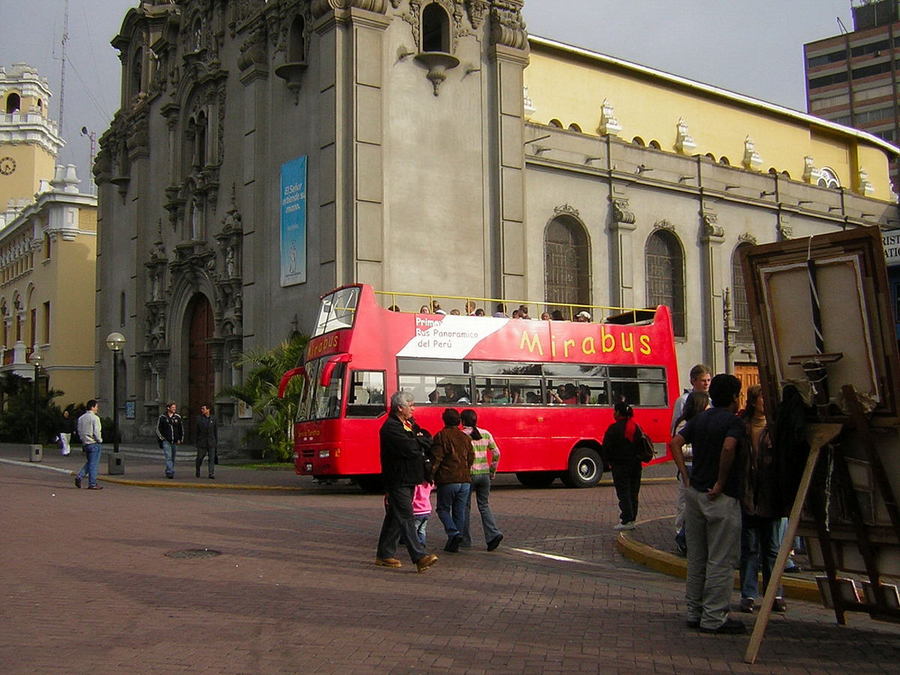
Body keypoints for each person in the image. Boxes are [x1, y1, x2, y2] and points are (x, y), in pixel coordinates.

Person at [670, 374, 746, 635]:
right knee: (720, 559)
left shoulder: (700, 418)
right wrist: (721, 481)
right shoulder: (733, 422)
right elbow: (729, 448)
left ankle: (694, 610)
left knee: (697, 557)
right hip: (720, 497)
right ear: (734, 397)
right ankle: (714, 616)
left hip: (696, 492)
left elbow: (676, 442)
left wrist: (686, 476)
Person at [375, 391, 439, 572]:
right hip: (398, 479)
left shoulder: (410, 424)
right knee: (406, 515)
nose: (413, 409)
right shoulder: (391, 428)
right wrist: (420, 442)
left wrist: (420, 441)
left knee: (395, 516)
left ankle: (384, 554)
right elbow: (411, 448)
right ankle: (419, 556)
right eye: (410, 406)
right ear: (399, 408)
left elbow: (426, 439)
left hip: (410, 477)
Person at [738, 385, 786, 614]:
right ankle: (748, 594)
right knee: (750, 548)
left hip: (771, 496)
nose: (765, 403)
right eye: (761, 398)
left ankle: (774, 593)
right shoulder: (743, 426)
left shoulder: (775, 428)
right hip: (748, 494)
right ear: (752, 401)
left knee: (773, 549)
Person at [670, 390, 710, 555]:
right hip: (689, 467)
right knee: (687, 506)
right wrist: (700, 449)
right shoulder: (685, 423)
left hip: (698, 467)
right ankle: (682, 538)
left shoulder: (703, 422)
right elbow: (679, 447)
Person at [431, 408, 474, 553]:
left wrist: (431, 475)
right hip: (465, 480)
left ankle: (453, 532)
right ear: (458, 421)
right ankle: (456, 538)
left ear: (444, 420)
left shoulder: (441, 436)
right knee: (459, 511)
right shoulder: (465, 437)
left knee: (442, 509)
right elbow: (471, 457)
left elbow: (437, 458)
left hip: (448, 479)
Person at [460, 409, 503, 551]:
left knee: (465, 507)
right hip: (484, 475)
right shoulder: (485, 433)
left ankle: (465, 539)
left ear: (462, 421)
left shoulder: (462, 435)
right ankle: (493, 534)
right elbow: (496, 453)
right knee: (484, 505)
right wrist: (492, 470)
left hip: (469, 475)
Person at [602, 401, 644, 531]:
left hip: (620, 466)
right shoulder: (636, 427)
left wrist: (608, 462)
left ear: (618, 412)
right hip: (635, 465)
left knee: (623, 492)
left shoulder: (613, 429)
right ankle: (632, 518)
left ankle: (626, 519)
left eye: (615, 411)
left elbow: (606, 448)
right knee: (633, 492)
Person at [671, 364, 712, 435]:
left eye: (708, 380)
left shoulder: (711, 400)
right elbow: (676, 424)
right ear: (693, 381)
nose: (707, 383)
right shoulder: (683, 400)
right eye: (703, 380)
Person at [74, 400, 103, 490]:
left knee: (90, 462)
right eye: (96, 407)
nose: (97, 409)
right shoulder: (95, 418)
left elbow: (79, 431)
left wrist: (83, 440)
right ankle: (92, 483)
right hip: (94, 443)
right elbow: (96, 431)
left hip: (86, 443)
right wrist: (99, 440)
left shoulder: (81, 418)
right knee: (93, 464)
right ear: (92, 407)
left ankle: (80, 476)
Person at [157, 401, 184, 479]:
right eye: (172, 407)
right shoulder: (162, 417)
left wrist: (180, 439)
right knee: (168, 456)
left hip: (175, 441)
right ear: (168, 408)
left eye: (175, 407)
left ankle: (168, 469)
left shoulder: (177, 417)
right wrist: (162, 438)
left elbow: (181, 429)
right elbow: (158, 429)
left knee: (173, 457)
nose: (174, 409)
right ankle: (170, 472)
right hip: (166, 441)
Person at [194, 404, 218, 479]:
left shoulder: (213, 419)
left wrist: (215, 442)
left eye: (203, 409)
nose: (202, 410)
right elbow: (197, 431)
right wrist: (197, 442)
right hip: (202, 442)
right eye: (202, 409)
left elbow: (215, 431)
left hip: (211, 441)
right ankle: (198, 469)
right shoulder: (199, 419)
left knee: (211, 458)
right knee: (200, 457)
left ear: (208, 410)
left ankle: (211, 473)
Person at [411, 480, 434, 546]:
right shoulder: (429, 484)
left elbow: (413, 496)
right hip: (427, 510)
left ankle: (417, 543)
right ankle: (422, 541)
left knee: (414, 529)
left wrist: (410, 505)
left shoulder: (417, 485)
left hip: (417, 510)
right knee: (422, 529)